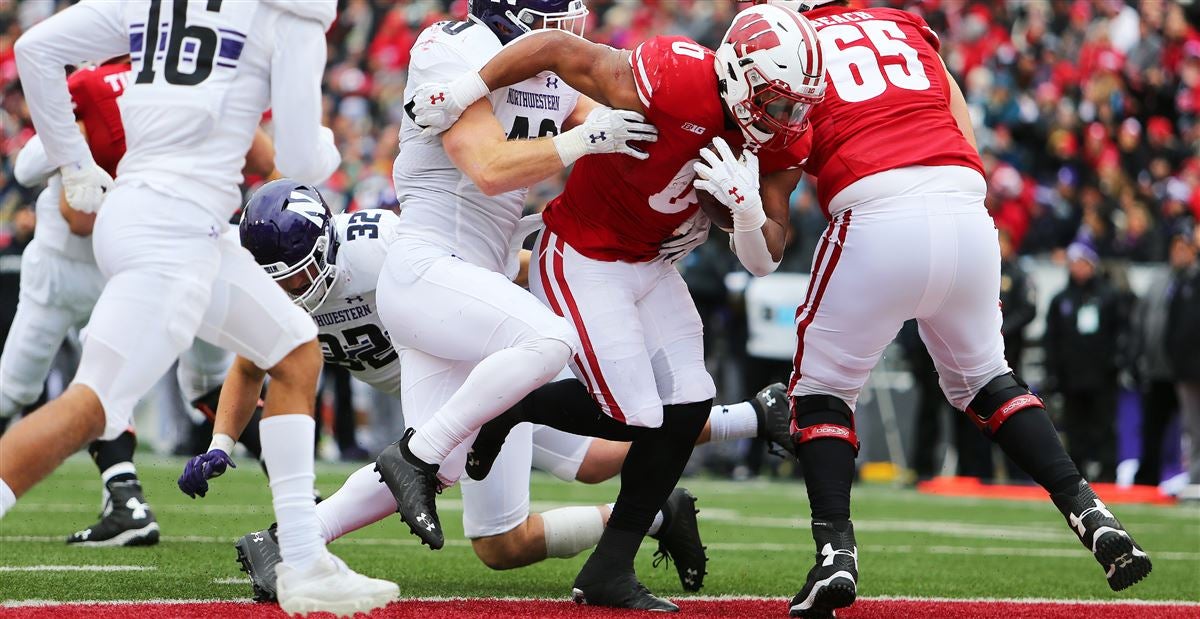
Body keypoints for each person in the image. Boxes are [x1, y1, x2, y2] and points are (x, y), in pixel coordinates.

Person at [183, 180, 797, 601]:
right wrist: (220, 441)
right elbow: (250, 364)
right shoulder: (274, 286)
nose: (292, 292)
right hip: (455, 383)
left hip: (472, 366)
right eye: (277, 282)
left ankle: (296, 536)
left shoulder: (382, 248)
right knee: (564, 487)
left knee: (432, 463)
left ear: (325, 242)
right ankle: (738, 430)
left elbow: (486, 275)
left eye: (297, 274)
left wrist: (563, 301)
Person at [408, 2, 823, 609]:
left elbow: (764, 258)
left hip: (652, 264)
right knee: (633, 417)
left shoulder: (784, 137)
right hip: (587, 253)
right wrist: (462, 91)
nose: (786, 119)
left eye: (796, 106)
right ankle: (508, 409)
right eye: (777, 102)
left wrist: (748, 213)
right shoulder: (677, 77)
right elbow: (556, 50)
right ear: (736, 73)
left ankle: (609, 568)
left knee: (687, 406)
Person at [743, 1, 1151, 616]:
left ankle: (836, 556)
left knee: (822, 392)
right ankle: (1090, 512)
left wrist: (748, 212)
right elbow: (959, 118)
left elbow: (770, 222)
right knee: (988, 381)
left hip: (873, 209)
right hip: (963, 203)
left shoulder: (787, 41)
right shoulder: (900, 22)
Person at [1, 1, 398, 614]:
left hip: (159, 215)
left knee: (293, 347)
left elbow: (35, 51)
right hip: (174, 228)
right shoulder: (286, 17)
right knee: (93, 406)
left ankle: (303, 558)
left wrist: (76, 166)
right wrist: (321, 143)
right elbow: (297, 164)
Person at [369, 0, 654, 553]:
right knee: (552, 338)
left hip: (480, 280)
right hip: (431, 266)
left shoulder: (550, 70)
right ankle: (413, 457)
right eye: (556, 16)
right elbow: (490, 168)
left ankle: (290, 540)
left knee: (462, 486)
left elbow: (618, 127)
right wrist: (587, 140)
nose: (569, 28)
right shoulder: (453, 46)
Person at [3, 60, 274, 548]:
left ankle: (127, 499)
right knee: (24, 383)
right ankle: (297, 491)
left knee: (94, 377)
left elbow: (63, 199)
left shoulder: (113, 87)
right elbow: (267, 160)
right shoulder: (184, 79)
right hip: (149, 252)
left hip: (148, 255)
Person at [1043, 242, 1130, 482]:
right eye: (1073, 264)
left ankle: (1108, 473)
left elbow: (1121, 332)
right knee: (1074, 428)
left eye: (1082, 263)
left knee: (1104, 426)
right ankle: (1077, 475)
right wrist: (1053, 370)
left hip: (1102, 375)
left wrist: (1116, 361)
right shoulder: (1060, 299)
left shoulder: (1109, 296)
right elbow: (1051, 337)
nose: (1078, 268)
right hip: (1071, 376)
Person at [1165, 222, 1200, 500]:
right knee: (1191, 425)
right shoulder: (1180, 282)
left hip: (1193, 363)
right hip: (1186, 366)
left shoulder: (1191, 281)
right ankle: (1194, 477)